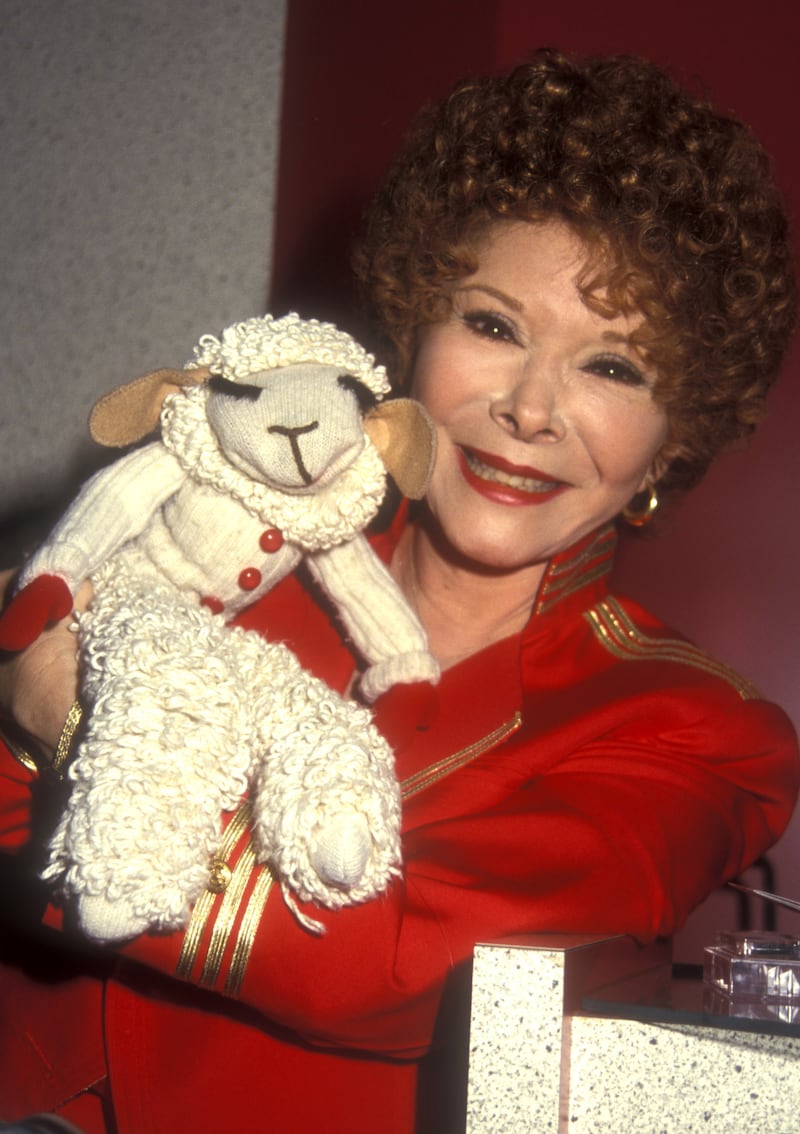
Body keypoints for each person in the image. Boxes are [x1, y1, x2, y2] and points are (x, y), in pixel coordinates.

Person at [0, 48, 797, 1134]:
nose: (528, 409)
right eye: (493, 326)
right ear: (411, 337)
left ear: (673, 440)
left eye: (612, 368)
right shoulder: (217, 559)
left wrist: (72, 723)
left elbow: (393, 970)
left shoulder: (702, 733)